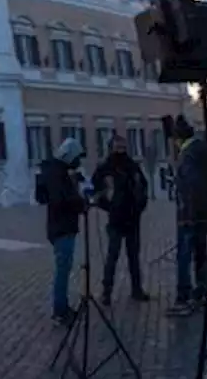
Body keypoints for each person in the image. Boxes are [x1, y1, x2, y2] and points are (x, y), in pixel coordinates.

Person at [92, 135, 151, 305]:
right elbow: (96, 190)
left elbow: (143, 186)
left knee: (134, 257)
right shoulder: (104, 168)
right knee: (112, 256)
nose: (121, 151)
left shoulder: (133, 166)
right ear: (110, 148)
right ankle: (107, 291)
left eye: (123, 147)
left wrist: (141, 204)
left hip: (133, 218)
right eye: (117, 148)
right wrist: (108, 205)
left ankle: (137, 289)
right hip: (115, 220)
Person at [38, 137, 88, 327]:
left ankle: (62, 307)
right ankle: (60, 310)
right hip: (62, 227)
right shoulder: (57, 174)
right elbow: (61, 200)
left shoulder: (56, 172)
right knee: (62, 270)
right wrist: (80, 203)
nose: (78, 162)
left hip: (61, 226)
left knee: (64, 269)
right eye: (76, 158)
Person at [168, 115, 207, 317]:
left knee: (184, 256)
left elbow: (190, 186)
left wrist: (188, 214)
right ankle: (202, 292)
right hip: (205, 212)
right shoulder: (202, 150)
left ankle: (183, 298)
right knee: (201, 254)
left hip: (189, 214)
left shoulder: (187, 155)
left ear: (179, 139)